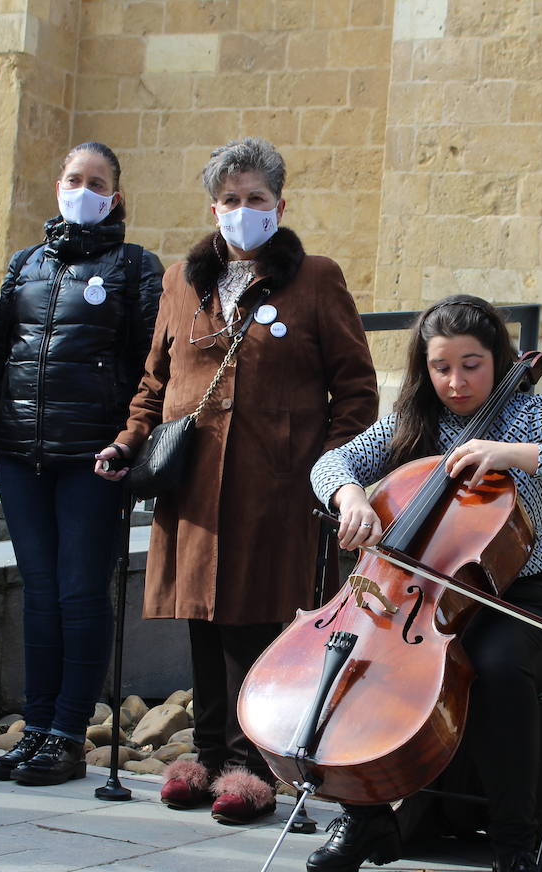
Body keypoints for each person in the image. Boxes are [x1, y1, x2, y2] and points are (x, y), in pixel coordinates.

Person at [303, 294, 542, 872]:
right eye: (441, 367)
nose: (455, 382)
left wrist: (513, 454)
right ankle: (364, 814)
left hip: (516, 600)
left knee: (496, 667)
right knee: (359, 662)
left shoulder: (528, 417)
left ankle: (514, 854)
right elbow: (332, 462)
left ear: (498, 361)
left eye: (472, 365)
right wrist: (348, 495)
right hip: (412, 601)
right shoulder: (411, 423)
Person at [94, 137, 378, 823]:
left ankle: (252, 767)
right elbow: (154, 383)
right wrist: (128, 441)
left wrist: (332, 473)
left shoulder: (317, 279)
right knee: (202, 620)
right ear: (212, 207)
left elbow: (357, 392)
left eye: (255, 200)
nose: (242, 212)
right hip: (194, 490)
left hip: (278, 491)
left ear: (279, 205)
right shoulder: (179, 280)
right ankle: (206, 752)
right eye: (230, 200)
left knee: (260, 625)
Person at [0, 141, 163, 786]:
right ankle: (38, 725)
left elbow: (149, 370)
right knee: (40, 594)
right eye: (74, 178)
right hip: (22, 454)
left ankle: (68, 732)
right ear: (58, 187)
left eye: (97, 181)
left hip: (93, 459)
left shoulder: (136, 268)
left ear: (116, 195)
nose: (84, 189)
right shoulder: (25, 265)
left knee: (80, 593)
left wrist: (133, 444)